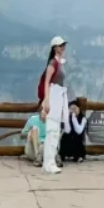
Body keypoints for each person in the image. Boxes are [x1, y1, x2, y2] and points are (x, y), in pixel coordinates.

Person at [39, 37, 68, 174]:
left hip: (59, 96)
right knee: (51, 130)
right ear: (55, 47)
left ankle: (51, 161)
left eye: (63, 45)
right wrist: (46, 100)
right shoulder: (52, 63)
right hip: (53, 96)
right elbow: (47, 82)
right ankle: (48, 162)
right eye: (60, 45)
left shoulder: (58, 63)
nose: (63, 47)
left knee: (55, 131)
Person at [61, 95, 89, 164]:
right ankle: (62, 156)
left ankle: (78, 156)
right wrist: (68, 117)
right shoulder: (66, 118)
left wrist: (74, 119)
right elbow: (67, 130)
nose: (73, 110)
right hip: (68, 140)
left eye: (75, 108)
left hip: (77, 141)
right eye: (71, 109)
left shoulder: (83, 119)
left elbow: (79, 131)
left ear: (79, 109)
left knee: (77, 139)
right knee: (64, 137)